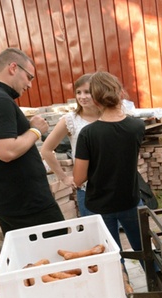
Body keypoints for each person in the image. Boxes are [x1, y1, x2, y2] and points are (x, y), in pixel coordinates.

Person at [73, 71, 145, 298]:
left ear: (96, 99)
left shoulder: (89, 134)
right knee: (146, 252)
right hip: (131, 201)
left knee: (114, 258)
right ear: (119, 93)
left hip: (99, 206)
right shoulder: (137, 126)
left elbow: (79, 178)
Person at [0, 48, 65, 234]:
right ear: (13, 67)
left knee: (30, 258)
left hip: (9, 199)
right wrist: (35, 130)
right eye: (29, 77)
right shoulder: (0, 100)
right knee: (56, 249)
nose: (30, 85)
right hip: (27, 204)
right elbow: (6, 152)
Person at [41, 74, 100, 216]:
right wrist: (64, 178)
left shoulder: (108, 116)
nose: (82, 96)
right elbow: (46, 150)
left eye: (87, 92)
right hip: (87, 189)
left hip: (113, 185)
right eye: (78, 92)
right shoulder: (71, 120)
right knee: (94, 233)